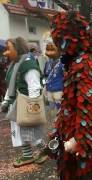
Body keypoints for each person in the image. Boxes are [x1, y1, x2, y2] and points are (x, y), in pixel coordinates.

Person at [48, 11, 92, 179]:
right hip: (69, 140)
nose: (55, 43)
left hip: (80, 147)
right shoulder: (73, 62)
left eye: (58, 38)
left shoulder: (85, 63)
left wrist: (79, 141)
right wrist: (57, 132)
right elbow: (69, 104)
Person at [1, 37, 47, 167]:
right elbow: (10, 86)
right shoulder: (14, 64)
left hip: (26, 104)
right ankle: (27, 155)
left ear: (17, 48)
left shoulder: (28, 64)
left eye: (8, 49)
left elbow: (34, 86)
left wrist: (32, 108)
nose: (6, 52)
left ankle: (46, 150)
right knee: (20, 132)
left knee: (31, 130)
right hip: (16, 104)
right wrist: (6, 101)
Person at [43, 42, 63, 120]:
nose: (49, 52)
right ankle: (55, 125)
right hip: (49, 89)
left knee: (60, 110)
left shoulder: (62, 62)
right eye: (48, 50)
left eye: (52, 50)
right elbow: (45, 75)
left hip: (59, 89)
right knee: (52, 111)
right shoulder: (48, 63)